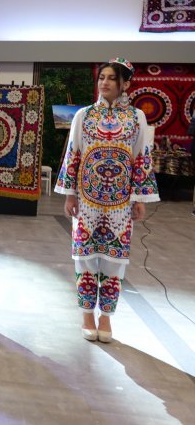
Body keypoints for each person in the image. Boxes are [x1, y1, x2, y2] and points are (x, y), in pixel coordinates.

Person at [55, 57, 159, 343]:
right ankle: (87, 314)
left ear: (125, 84)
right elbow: (73, 154)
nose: (105, 82)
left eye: (112, 78)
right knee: (84, 257)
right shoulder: (84, 115)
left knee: (115, 260)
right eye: (102, 77)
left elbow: (141, 157)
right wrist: (70, 195)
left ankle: (106, 317)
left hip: (120, 203)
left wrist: (140, 198)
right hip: (86, 201)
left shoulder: (136, 117)